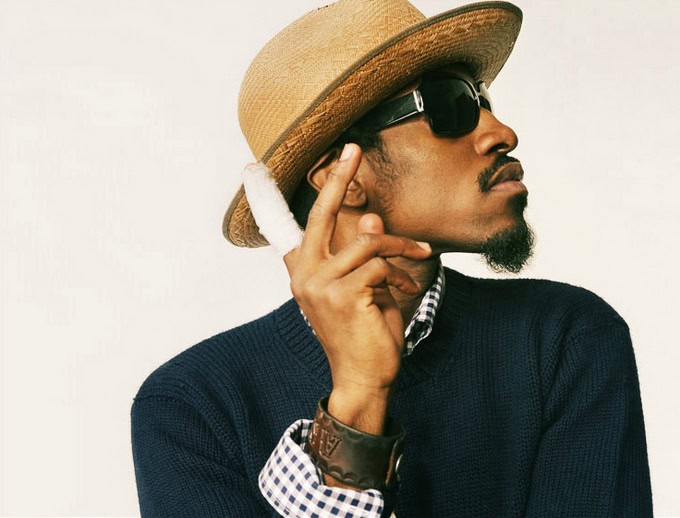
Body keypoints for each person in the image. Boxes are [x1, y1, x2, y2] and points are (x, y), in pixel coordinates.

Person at [130, 0, 653, 516]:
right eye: (451, 104)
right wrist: (358, 395)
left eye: (485, 100)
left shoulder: (565, 340)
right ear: (343, 175)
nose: (502, 133)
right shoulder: (191, 408)